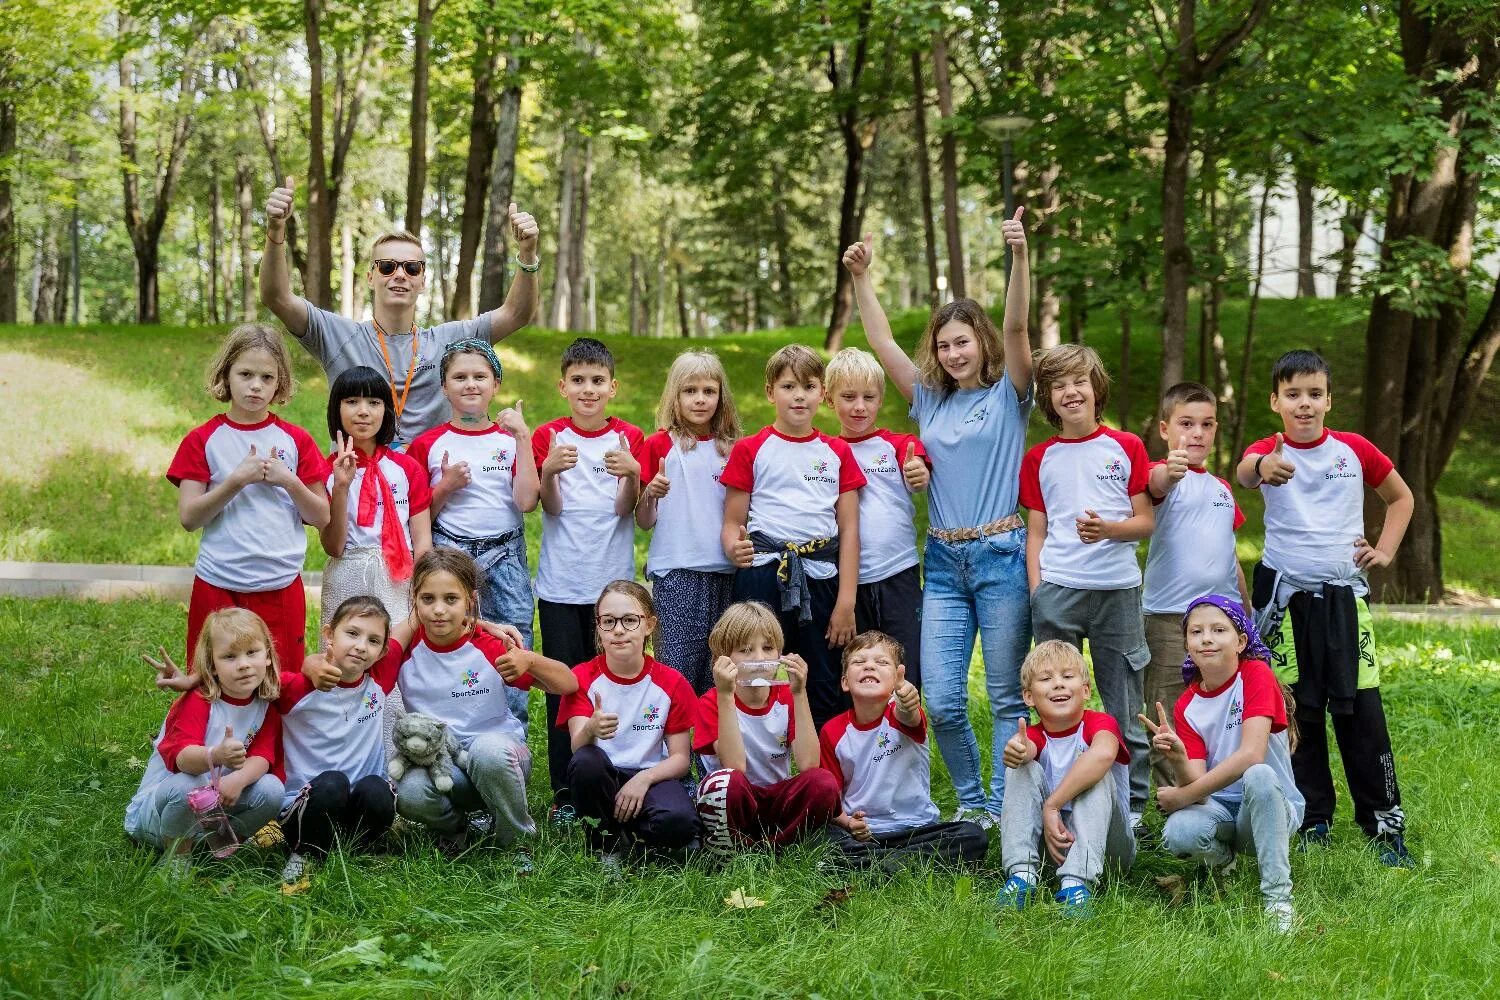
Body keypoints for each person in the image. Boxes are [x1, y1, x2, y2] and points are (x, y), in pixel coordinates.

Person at [841, 210, 1033, 828]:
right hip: (945, 562)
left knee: (1005, 696)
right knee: (944, 700)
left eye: (963, 342)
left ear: (983, 342)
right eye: (944, 344)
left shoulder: (1011, 396)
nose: (953, 353)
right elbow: (882, 345)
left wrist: (1019, 258)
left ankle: (1004, 807)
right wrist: (863, 279)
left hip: (1002, 555)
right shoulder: (928, 399)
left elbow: (1019, 323)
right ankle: (972, 804)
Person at [1235, 350, 1415, 866]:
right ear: (1276, 401)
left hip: (1343, 599)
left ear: (1329, 399)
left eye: (1314, 394)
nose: (1305, 404)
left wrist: (1384, 551)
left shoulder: (1353, 450)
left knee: (1361, 712)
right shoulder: (1267, 451)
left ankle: (1383, 822)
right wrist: (1264, 466)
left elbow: (1400, 498)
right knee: (1296, 712)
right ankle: (1312, 817)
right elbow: (1246, 473)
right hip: (1284, 598)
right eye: (1293, 394)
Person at [258, 177, 541, 447]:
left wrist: (527, 254)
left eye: (411, 268)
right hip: (358, 482)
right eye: (387, 266)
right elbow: (276, 296)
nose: (400, 275)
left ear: (422, 281)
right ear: (371, 277)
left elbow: (517, 313)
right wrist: (275, 231)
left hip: (430, 482)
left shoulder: (452, 340)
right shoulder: (339, 335)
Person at [1021, 343, 1154, 825]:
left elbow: (1145, 522)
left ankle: (1132, 804)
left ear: (1096, 388)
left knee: (1125, 701)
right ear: (1049, 400)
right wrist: (1039, 590)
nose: (1070, 392)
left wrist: (1110, 531)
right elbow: (1036, 530)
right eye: (1058, 386)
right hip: (1058, 590)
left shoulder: (1127, 446)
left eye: (1078, 381)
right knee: (1056, 700)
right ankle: (1061, 792)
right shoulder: (1040, 457)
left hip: (1117, 590)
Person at [391, 548, 578, 855]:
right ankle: (455, 828)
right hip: (443, 768)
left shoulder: (489, 646)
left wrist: (528, 661)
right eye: (428, 599)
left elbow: (569, 683)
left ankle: (517, 841)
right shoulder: (407, 649)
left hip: (500, 761)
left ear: (470, 600)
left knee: (488, 752)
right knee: (408, 792)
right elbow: (377, 656)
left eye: (451, 599)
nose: (439, 610)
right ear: (414, 601)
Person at [166, 323, 330, 670]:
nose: (256, 385)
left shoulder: (296, 440)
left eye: (267, 378)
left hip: (280, 585)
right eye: (245, 374)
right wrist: (234, 481)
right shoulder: (203, 439)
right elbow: (189, 518)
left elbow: (321, 516)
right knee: (212, 681)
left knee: (279, 684)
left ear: (280, 382)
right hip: (219, 583)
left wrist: (289, 481)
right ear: (226, 374)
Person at [720, 344, 865, 731]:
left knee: (821, 677)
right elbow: (733, 521)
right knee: (754, 672)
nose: (799, 395)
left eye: (809, 386)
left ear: (824, 393)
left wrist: (846, 602)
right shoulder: (751, 449)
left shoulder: (836, 452)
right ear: (770, 392)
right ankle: (756, 763)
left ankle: (824, 774)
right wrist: (733, 548)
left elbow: (850, 531)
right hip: (763, 573)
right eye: (788, 386)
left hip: (820, 578)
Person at [532, 338, 647, 813]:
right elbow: (551, 509)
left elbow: (627, 510)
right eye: (577, 380)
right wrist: (548, 472)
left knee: (615, 679)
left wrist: (634, 475)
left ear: (612, 387)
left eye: (597, 381)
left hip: (612, 587)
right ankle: (565, 790)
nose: (587, 389)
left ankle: (614, 773)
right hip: (561, 583)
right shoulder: (549, 436)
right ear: (562, 386)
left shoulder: (629, 437)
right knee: (565, 683)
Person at [1147, 596, 1304, 932]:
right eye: (1196, 631)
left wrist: (1180, 797)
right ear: (1186, 643)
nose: (1206, 638)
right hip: (1220, 811)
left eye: (1219, 630)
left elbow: (1251, 755)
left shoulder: (1256, 675)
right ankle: (1224, 860)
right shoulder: (1187, 703)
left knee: (1259, 775)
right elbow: (1198, 782)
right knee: (1178, 832)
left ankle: (1278, 899)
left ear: (1241, 641)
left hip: (1268, 806)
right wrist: (1178, 759)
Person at [407, 340, 538, 725]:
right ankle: (453, 726)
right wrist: (444, 487)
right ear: (444, 387)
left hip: (504, 552)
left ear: (495, 383)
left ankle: (512, 735)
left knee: (514, 638)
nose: (470, 384)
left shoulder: (508, 440)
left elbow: (527, 501)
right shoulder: (428, 445)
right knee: (451, 638)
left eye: (480, 376)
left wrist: (523, 438)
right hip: (450, 549)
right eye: (459, 377)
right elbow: (417, 514)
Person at [1141, 381, 1250, 786]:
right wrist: (1167, 473)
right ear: (1165, 429)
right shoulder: (1160, 477)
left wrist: (1245, 606)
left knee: (1221, 706)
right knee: (1167, 707)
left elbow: (1229, 551)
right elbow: (1154, 483)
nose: (1197, 433)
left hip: (1223, 619)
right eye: (1186, 423)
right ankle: (1171, 799)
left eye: (1206, 424)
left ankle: (1214, 790)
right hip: (1169, 619)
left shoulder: (1221, 488)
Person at [126, 609, 285, 879]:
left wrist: (239, 780)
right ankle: (177, 857)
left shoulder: (265, 705)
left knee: (272, 789)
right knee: (190, 784)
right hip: (157, 815)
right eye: (230, 657)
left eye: (252, 653)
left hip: (211, 810)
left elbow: (262, 757)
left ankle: (218, 847)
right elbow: (182, 760)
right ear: (212, 665)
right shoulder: (199, 700)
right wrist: (217, 755)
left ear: (268, 656)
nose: (244, 664)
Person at [819, 631, 989, 872]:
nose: (869, 666)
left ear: (896, 680)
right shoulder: (832, 731)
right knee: (820, 834)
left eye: (881, 662)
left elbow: (907, 714)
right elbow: (831, 799)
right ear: (845, 681)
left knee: (972, 835)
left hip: (915, 829)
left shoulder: (899, 714)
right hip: (862, 833)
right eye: (859, 662)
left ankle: (882, 864)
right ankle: (896, 863)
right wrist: (847, 823)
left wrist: (908, 701)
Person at [556, 581, 699, 865]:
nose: (618, 630)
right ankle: (604, 844)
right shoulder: (582, 677)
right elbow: (576, 748)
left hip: (651, 775)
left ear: (649, 625)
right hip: (603, 777)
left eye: (630, 620)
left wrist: (643, 779)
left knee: (680, 824)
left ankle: (630, 833)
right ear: (598, 627)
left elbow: (681, 759)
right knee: (587, 762)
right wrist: (590, 728)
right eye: (608, 622)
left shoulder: (671, 682)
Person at [997, 640, 1135, 917]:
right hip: (1052, 848)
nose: (1058, 684)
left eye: (1068, 677)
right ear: (1029, 697)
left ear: (1085, 691)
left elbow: (1104, 755)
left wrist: (1053, 805)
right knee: (1021, 767)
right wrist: (1016, 751)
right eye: (1046, 679)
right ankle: (1022, 875)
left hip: (1109, 851)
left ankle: (1076, 885)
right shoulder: (1035, 736)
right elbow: (1026, 749)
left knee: (1094, 772)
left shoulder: (1099, 724)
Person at [694, 601, 841, 851]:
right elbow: (735, 767)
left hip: (778, 798)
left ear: (780, 653)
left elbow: (808, 765)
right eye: (745, 650)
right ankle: (735, 846)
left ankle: (772, 848)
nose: (759, 659)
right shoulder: (711, 702)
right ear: (724, 659)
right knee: (728, 784)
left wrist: (799, 693)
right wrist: (726, 695)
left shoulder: (786, 698)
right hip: (736, 801)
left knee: (823, 783)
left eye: (768, 648)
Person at [636, 350, 742, 695]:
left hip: (727, 573)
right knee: (677, 672)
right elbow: (643, 520)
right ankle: (678, 749)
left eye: (709, 391)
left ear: (721, 396)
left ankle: (713, 749)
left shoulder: (736, 450)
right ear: (674, 396)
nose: (700, 399)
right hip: (677, 571)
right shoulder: (658, 446)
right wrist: (650, 492)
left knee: (721, 673)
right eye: (690, 391)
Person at [824, 347, 931, 688]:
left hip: (897, 573)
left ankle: (907, 735)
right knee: (857, 668)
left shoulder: (898, 445)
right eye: (849, 396)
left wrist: (918, 472)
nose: (859, 406)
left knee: (905, 666)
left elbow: (918, 469)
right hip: (845, 580)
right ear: (829, 399)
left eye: (869, 397)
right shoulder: (822, 452)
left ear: (881, 399)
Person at [319, 365, 433, 628]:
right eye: (351, 401)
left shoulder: (407, 469)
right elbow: (334, 547)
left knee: (397, 656)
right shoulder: (325, 470)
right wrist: (341, 488)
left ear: (386, 411)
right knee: (344, 658)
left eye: (374, 402)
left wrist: (421, 589)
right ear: (336, 408)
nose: (363, 411)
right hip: (346, 573)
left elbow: (422, 540)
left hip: (399, 576)